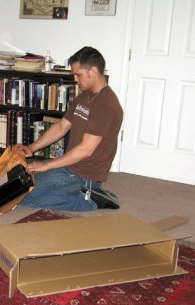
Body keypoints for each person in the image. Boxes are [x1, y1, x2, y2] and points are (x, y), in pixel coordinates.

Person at [14, 46, 123, 211]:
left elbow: (86, 149)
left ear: (92, 71)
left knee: (26, 197)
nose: (75, 79)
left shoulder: (105, 105)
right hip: (69, 165)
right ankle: (74, 189)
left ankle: (90, 200)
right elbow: (61, 126)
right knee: (18, 184)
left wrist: (48, 165)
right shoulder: (84, 96)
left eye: (78, 74)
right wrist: (31, 148)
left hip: (84, 175)